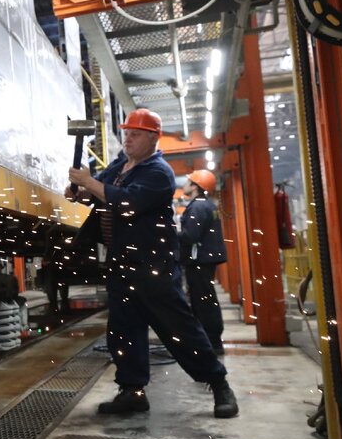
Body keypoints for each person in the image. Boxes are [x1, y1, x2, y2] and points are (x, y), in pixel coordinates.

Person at [66, 109, 238, 418]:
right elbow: (101, 194)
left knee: (178, 329)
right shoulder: (121, 164)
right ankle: (132, 391)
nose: (127, 138)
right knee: (123, 330)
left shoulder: (158, 173)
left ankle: (219, 383)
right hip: (122, 264)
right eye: (127, 132)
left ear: (152, 138)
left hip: (152, 267)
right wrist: (79, 192)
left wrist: (88, 183)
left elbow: (125, 201)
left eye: (135, 134)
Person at [179, 169, 228, 354]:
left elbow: (190, 236)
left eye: (188, 181)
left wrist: (171, 234)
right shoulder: (207, 205)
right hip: (205, 259)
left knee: (203, 302)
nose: (184, 184)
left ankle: (211, 342)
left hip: (199, 260)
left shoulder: (198, 207)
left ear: (195, 186)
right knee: (206, 300)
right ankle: (211, 340)